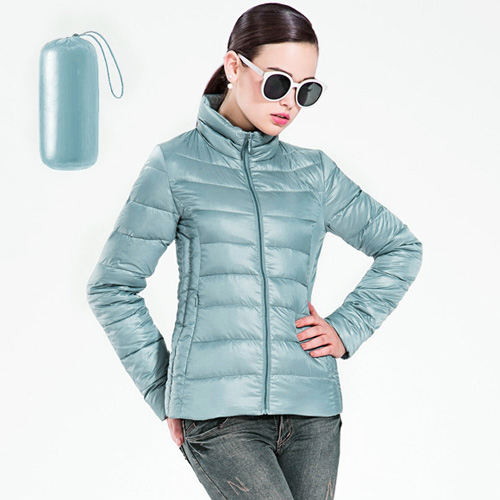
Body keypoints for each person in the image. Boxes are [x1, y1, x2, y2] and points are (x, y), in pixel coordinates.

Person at [86, 3, 423, 499]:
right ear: (234, 66)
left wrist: (347, 327)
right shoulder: (175, 165)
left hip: (312, 410)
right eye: (278, 82)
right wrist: (165, 392)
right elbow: (112, 287)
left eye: (305, 90)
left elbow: (401, 247)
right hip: (219, 416)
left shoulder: (314, 173)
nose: (290, 103)